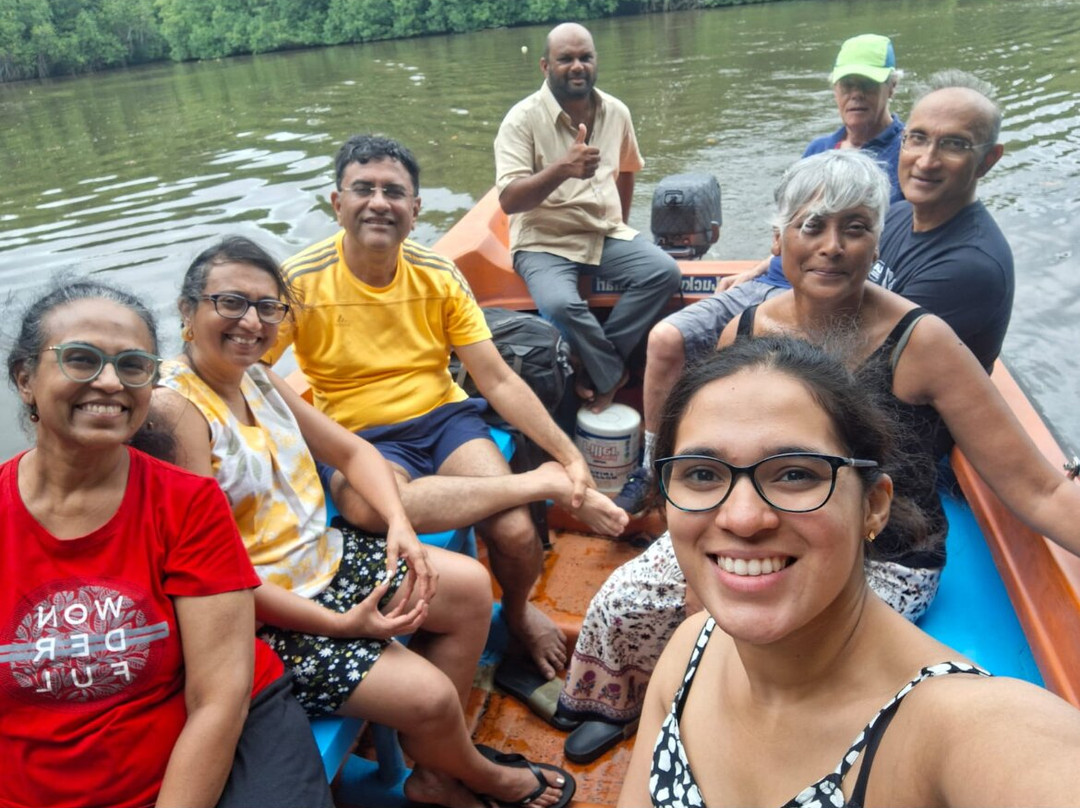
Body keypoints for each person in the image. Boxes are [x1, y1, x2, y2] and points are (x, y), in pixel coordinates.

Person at [152, 236, 576, 808]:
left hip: (322, 559)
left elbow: (354, 454)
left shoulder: (258, 378)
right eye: (230, 302)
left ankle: (433, 772)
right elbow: (218, 578)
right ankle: (479, 773)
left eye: (267, 307)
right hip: (264, 616)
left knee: (470, 586)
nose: (251, 322)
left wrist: (399, 525)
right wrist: (343, 626)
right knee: (429, 698)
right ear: (187, 310)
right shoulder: (176, 411)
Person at [618, 336, 1080, 808]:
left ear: (873, 507)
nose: (742, 518)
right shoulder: (690, 650)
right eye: (702, 473)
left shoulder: (960, 727)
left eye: (796, 473)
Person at [263, 134, 628, 684]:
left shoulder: (437, 274)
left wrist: (568, 455)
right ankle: (538, 485)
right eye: (363, 189)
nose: (378, 202)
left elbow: (497, 379)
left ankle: (522, 608)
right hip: (357, 435)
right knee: (375, 509)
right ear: (337, 204)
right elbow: (256, 369)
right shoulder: (299, 279)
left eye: (394, 192)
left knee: (515, 533)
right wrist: (312, 427)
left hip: (442, 419)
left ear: (416, 209)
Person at [0, 279, 332, 808]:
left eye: (133, 366)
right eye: (80, 359)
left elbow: (217, 697)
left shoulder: (186, 502)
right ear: (25, 379)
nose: (109, 382)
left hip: (201, 730)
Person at [621, 33, 903, 513]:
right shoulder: (820, 147)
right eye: (847, 84)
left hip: (830, 292)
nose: (855, 95)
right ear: (835, 89)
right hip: (772, 279)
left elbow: (870, 255)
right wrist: (757, 267)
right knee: (666, 338)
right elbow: (791, 228)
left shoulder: (900, 158)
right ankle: (655, 465)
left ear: (891, 88)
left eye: (868, 84)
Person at [494, 21, 683, 413]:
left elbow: (627, 170)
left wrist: (623, 225)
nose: (577, 66)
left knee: (664, 272)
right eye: (566, 59)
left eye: (585, 57)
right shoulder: (521, 120)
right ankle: (612, 372)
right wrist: (562, 167)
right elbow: (510, 200)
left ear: (596, 62)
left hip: (604, 232)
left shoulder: (616, 112)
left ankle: (595, 364)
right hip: (544, 240)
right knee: (561, 305)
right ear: (545, 66)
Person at [870, 69, 1013, 373]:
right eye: (918, 138)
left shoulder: (969, 268)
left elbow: (875, 367)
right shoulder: (898, 215)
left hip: (898, 415)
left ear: (988, 160)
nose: (926, 161)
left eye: (954, 144)